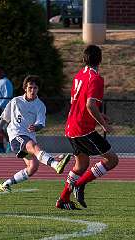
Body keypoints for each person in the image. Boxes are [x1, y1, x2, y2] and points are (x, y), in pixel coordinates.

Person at [56, 45, 119, 210]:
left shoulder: (79, 75)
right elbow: (90, 105)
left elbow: (75, 103)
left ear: (84, 59)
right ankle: (80, 184)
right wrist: (103, 124)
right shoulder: (96, 78)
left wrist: (99, 115)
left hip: (71, 126)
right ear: (100, 60)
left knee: (81, 165)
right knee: (112, 160)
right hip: (83, 129)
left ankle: (63, 199)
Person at [0, 75, 71, 192]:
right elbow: (5, 119)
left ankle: (6, 183)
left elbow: (41, 124)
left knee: (32, 168)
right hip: (16, 136)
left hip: (28, 138)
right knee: (34, 147)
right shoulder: (15, 101)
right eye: (30, 87)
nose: (32, 90)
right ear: (25, 89)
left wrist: (35, 127)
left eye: (35, 88)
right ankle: (55, 164)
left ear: (38, 89)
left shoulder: (40, 105)